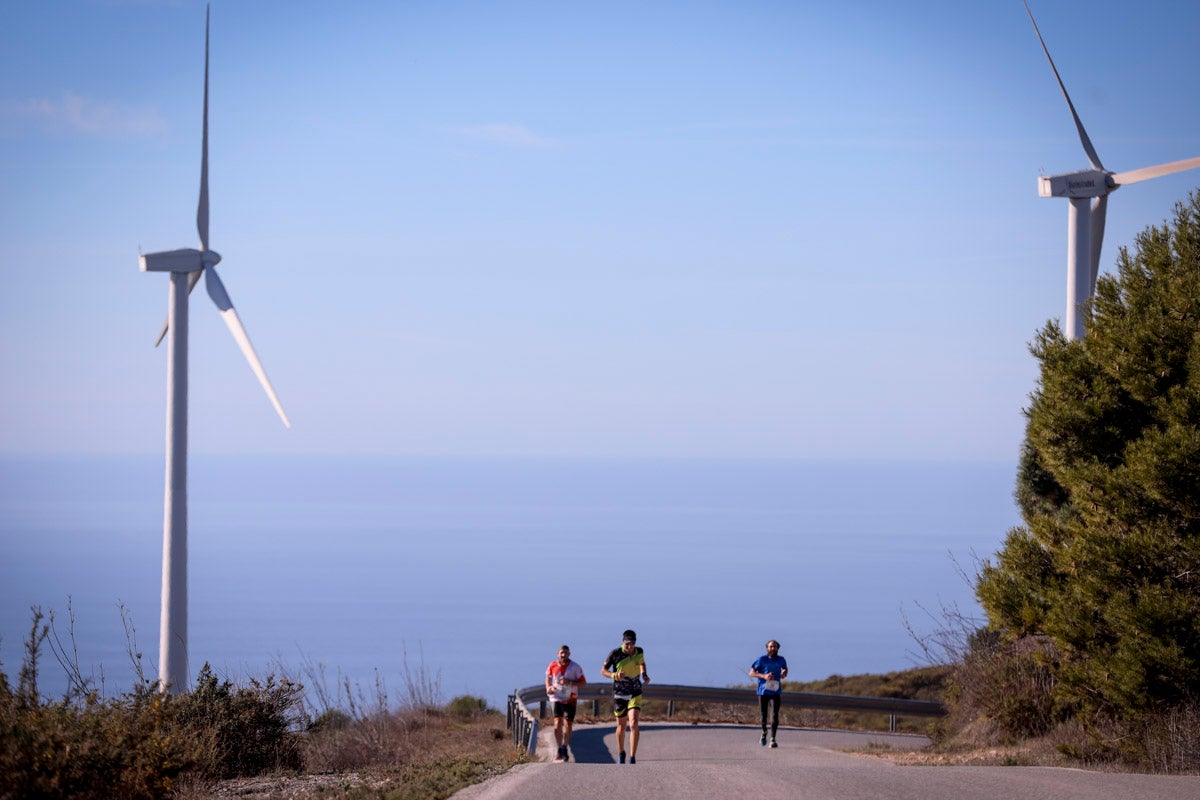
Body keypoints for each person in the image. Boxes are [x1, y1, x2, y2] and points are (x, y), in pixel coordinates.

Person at [601, 629, 649, 764]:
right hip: (620, 693)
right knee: (621, 726)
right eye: (627, 644)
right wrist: (614, 675)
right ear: (623, 642)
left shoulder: (639, 651)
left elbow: (642, 663)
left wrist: (644, 674)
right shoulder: (615, 653)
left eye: (632, 644)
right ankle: (622, 752)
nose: (630, 647)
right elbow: (603, 670)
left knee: (633, 723)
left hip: (635, 691)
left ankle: (633, 757)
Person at [545, 644, 586, 762]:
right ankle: (559, 748)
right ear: (557, 654)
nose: (563, 655)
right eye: (561, 653)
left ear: (569, 654)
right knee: (557, 723)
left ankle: (565, 746)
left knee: (568, 724)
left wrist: (571, 682)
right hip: (556, 697)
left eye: (565, 653)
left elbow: (583, 683)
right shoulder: (552, 665)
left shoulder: (575, 667)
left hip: (570, 698)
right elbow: (548, 677)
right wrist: (548, 688)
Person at [748, 639, 788, 747]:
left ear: (778, 648)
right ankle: (764, 732)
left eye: (775, 647)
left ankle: (773, 739)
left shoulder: (781, 659)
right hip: (763, 691)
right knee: (763, 716)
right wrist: (764, 676)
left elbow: (785, 670)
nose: (773, 648)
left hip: (775, 691)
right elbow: (751, 672)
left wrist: (784, 673)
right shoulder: (762, 659)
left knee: (775, 715)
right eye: (771, 646)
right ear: (767, 648)